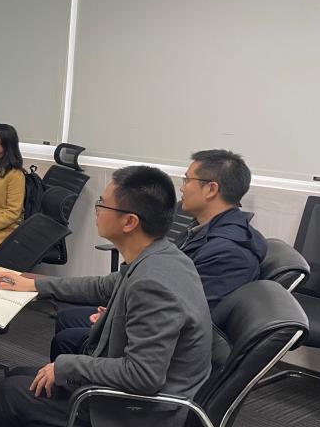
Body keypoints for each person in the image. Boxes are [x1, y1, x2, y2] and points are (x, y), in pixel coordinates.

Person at [0, 166, 212, 427]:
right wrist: (35, 284)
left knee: (15, 392)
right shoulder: (161, 257)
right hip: (148, 401)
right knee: (21, 376)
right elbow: (102, 286)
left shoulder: (153, 284)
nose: (97, 210)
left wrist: (67, 366)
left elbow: (144, 376)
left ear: (129, 221)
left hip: (141, 417)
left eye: (103, 204)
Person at [51, 149, 266, 359]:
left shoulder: (228, 252)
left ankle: (74, 379)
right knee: (69, 320)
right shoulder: (201, 230)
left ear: (211, 189)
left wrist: (122, 317)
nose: (181, 188)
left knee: (68, 337)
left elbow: (192, 317)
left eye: (187, 180)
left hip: (174, 351)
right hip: (153, 319)